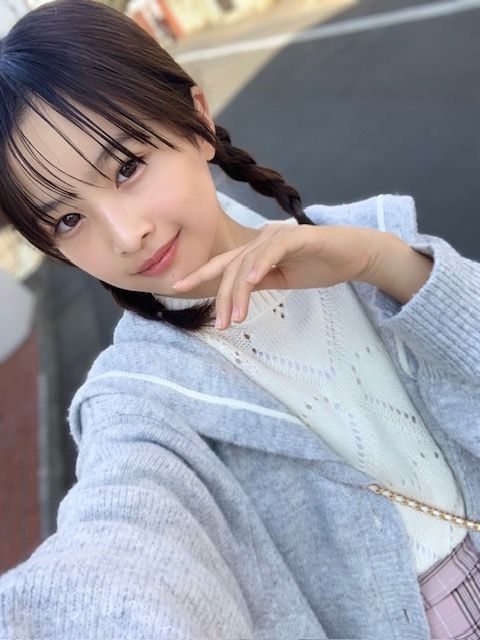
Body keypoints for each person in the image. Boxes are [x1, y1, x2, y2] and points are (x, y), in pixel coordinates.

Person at [0, 1, 479, 637]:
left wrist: (383, 262)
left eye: (126, 166)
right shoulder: (137, 403)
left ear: (198, 120)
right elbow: (118, 545)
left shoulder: (365, 238)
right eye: (67, 219)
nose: (124, 234)